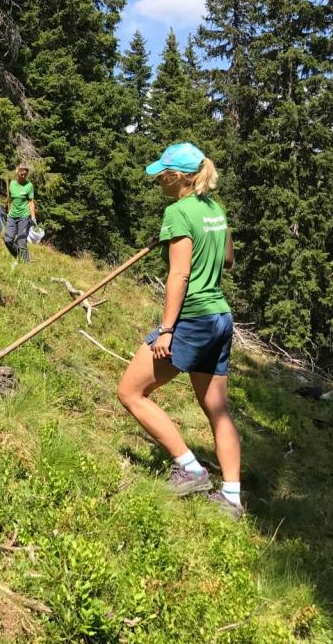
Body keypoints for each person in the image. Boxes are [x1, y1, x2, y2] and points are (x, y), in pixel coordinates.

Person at [115, 142, 242, 518]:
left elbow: (180, 274)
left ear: (178, 177)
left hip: (193, 319)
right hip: (220, 318)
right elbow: (229, 259)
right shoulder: (215, 209)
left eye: (163, 175)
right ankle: (232, 497)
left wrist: (167, 330)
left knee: (131, 392)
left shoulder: (177, 212)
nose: (159, 180)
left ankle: (189, 467)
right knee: (217, 409)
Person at [3, 163, 36, 262]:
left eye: (25, 174)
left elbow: (31, 202)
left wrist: (33, 217)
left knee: (22, 242)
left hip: (24, 217)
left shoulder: (29, 186)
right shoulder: (12, 184)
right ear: (18, 173)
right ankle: (18, 254)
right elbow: (9, 199)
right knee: (8, 240)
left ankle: (26, 263)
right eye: (21, 174)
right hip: (12, 216)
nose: (23, 176)